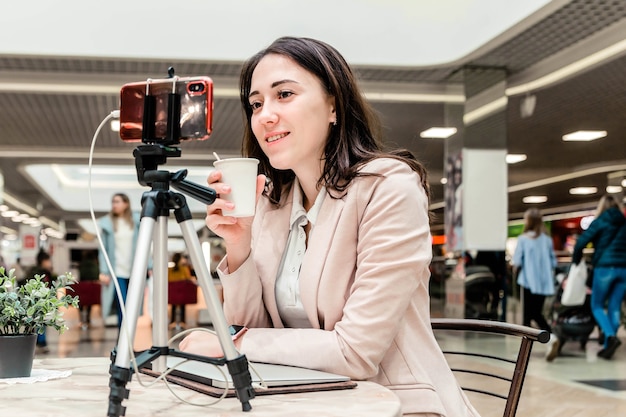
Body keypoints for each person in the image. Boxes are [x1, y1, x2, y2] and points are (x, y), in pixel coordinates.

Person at [180, 36, 480, 416]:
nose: (264, 115)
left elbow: (355, 353)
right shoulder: (273, 204)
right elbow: (255, 326)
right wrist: (239, 248)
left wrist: (234, 343)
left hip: (398, 406)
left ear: (334, 105)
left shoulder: (387, 188)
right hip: (307, 401)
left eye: (284, 94)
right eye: (256, 104)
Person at [572, 194, 626, 360]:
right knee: (615, 307)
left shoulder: (600, 221)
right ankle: (607, 344)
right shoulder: (624, 222)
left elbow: (581, 242)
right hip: (624, 269)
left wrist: (576, 260)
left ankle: (610, 336)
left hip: (604, 268)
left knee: (597, 305)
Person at [512, 208, 559, 361]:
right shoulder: (547, 239)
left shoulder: (524, 239)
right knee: (537, 313)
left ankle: (547, 339)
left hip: (527, 282)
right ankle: (550, 338)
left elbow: (517, 261)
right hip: (544, 283)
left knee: (528, 316)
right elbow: (553, 261)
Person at [98, 192, 140, 330]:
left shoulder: (136, 221)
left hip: (134, 271)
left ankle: (128, 341)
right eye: (113, 202)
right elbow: (102, 249)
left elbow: (144, 244)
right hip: (116, 272)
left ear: (126, 203)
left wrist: (149, 266)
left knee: (133, 306)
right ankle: (122, 341)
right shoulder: (107, 223)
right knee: (122, 306)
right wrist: (104, 270)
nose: (114, 205)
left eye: (117, 202)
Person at [26, 249, 56, 354]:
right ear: (43, 261)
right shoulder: (37, 273)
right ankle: (41, 343)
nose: (49, 263)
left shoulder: (46, 272)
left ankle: (39, 343)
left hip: (43, 302)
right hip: (37, 302)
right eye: (48, 260)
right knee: (39, 323)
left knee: (41, 323)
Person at [167, 252, 195, 328]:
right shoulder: (184, 269)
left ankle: (172, 321)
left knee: (173, 306)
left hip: (173, 293)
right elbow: (189, 278)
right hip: (182, 292)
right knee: (182, 306)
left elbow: (168, 279)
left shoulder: (170, 270)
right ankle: (183, 322)